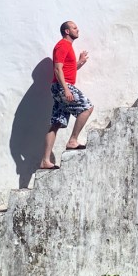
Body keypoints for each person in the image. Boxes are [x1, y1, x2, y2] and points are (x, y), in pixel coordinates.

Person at [39, 20, 94, 170]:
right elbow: (57, 69)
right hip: (62, 87)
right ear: (67, 31)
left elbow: (67, 69)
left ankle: (45, 161)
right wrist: (66, 90)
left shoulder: (67, 46)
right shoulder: (62, 45)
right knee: (87, 108)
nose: (78, 30)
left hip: (61, 87)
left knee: (56, 122)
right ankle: (72, 141)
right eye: (74, 28)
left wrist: (80, 62)